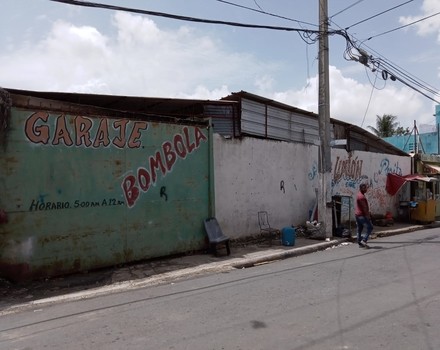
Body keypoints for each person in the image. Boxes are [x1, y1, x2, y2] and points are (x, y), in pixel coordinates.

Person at [355, 183, 373, 248]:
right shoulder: (361, 197)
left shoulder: (359, 195)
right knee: (370, 227)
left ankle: (359, 242)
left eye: (366, 188)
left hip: (358, 215)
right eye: (364, 188)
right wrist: (368, 216)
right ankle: (364, 240)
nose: (366, 189)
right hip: (362, 215)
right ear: (361, 189)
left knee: (359, 229)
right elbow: (364, 208)